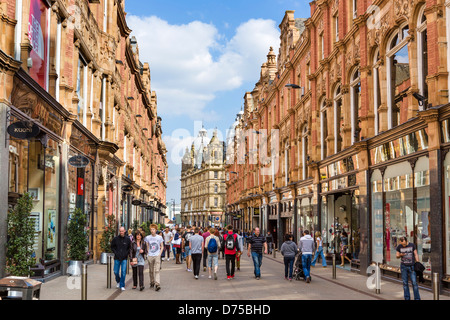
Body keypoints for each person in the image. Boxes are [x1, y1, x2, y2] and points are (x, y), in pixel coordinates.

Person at [111, 226, 132, 291]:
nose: (121, 232)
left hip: (124, 258)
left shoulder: (127, 239)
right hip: (117, 258)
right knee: (116, 271)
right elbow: (112, 247)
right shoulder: (115, 239)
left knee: (123, 272)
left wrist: (127, 254)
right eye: (120, 231)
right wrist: (115, 252)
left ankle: (122, 285)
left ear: (124, 231)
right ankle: (118, 281)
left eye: (122, 231)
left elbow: (129, 248)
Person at [144, 224, 164, 291]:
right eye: (151, 229)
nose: (152, 231)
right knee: (151, 270)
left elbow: (162, 246)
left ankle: (157, 284)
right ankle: (152, 282)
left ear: (156, 230)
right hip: (150, 255)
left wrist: (159, 254)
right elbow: (147, 246)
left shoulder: (159, 237)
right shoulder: (147, 238)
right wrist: (147, 254)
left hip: (157, 255)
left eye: (153, 229)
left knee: (157, 270)